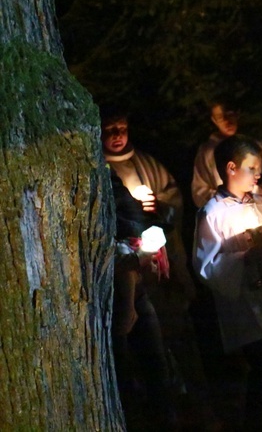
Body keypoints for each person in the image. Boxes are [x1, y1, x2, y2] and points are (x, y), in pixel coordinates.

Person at [101, 108, 216, 427]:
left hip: (161, 269)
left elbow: (173, 202)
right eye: (110, 129)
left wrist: (160, 208)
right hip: (130, 274)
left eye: (121, 127)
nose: (117, 135)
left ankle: (197, 409)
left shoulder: (148, 164)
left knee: (179, 338)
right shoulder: (98, 170)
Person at [194, 135, 262, 431]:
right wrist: (243, 257)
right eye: (252, 168)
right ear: (231, 168)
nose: (258, 174)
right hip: (246, 307)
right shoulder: (212, 213)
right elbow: (206, 265)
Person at [110, 169, 176, 429]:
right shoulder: (119, 245)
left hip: (135, 296)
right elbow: (125, 266)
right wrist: (128, 308)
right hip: (123, 298)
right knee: (134, 375)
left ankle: (163, 419)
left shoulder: (131, 239)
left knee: (155, 369)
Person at [192, 98, 241, 209]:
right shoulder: (207, 152)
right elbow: (199, 191)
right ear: (214, 120)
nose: (226, 121)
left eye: (229, 114)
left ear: (237, 114)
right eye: (220, 117)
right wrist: (226, 200)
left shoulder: (256, 146)